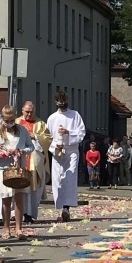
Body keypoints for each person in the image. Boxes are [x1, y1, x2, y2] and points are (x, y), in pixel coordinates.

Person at [0, 105, 38, 239]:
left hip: (18, 169)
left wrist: (21, 151)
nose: (9, 122)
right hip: (3, 170)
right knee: (6, 201)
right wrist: (0, 153)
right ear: (2, 119)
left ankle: (19, 228)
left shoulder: (22, 131)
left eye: (12, 120)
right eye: (6, 120)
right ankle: (6, 228)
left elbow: (31, 146)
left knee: (19, 199)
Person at [45, 90, 86, 222]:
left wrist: (69, 132)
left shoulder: (75, 115)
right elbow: (48, 137)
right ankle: (60, 203)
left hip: (72, 150)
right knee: (58, 177)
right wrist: (54, 146)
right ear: (56, 102)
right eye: (60, 103)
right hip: (57, 150)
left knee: (70, 175)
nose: (62, 105)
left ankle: (67, 206)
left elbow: (81, 132)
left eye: (64, 103)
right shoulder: (52, 118)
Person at [21, 100, 51, 221]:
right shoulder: (17, 122)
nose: (29, 114)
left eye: (31, 112)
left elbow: (48, 140)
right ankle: (20, 213)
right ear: (22, 110)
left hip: (35, 161)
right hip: (21, 160)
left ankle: (31, 214)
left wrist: (36, 136)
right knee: (21, 188)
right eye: (27, 112)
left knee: (34, 189)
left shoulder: (41, 124)